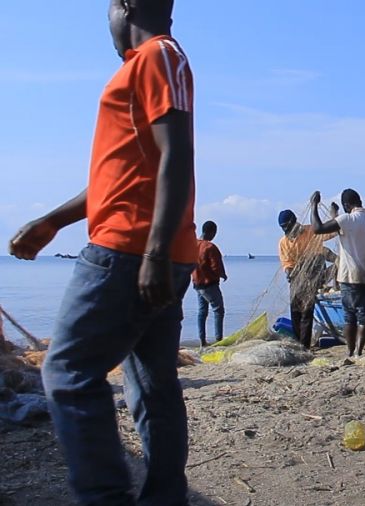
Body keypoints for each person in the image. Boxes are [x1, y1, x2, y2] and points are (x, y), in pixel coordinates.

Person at [8, 2, 196, 503]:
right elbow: (120, 178)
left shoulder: (160, 56)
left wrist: (155, 251)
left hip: (129, 251)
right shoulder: (143, 66)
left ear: (126, 5)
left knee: (66, 374)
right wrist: (53, 220)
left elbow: (178, 152)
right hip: (144, 249)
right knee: (153, 387)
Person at [310, 189, 365, 357]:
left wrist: (314, 205)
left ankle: (350, 352)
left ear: (346, 205)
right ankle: (359, 350)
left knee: (350, 316)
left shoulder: (347, 219)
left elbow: (317, 228)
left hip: (350, 276)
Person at [278, 208, 337, 349]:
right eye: (284, 228)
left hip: (315, 276)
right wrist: (289, 272)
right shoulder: (284, 242)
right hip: (297, 278)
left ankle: (304, 346)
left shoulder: (311, 231)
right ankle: (300, 343)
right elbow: (287, 262)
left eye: (288, 226)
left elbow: (332, 231)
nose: (287, 230)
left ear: (294, 222)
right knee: (296, 311)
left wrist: (335, 215)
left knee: (306, 312)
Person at [193, 221, 227, 346]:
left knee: (202, 312)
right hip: (209, 284)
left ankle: (202, 340)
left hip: (197, 284)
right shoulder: (210, 247)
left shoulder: (193, 245)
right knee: (218, 310)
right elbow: (215, 266)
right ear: (211, 232)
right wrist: (223, 275)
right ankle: (219, 339)